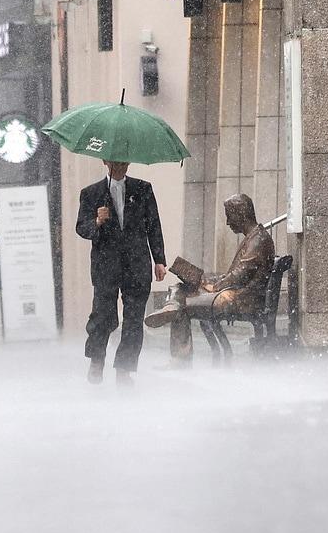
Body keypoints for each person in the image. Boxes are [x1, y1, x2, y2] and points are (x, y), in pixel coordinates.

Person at [144, 194, 274, 361]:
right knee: (180, 287)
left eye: (229, 216)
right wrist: (208, 280)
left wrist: (214, 285)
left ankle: (180, 358)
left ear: (241, 213)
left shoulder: (259, 240)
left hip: (244, 298)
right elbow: (236, 275)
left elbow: (239, 276)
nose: (227, 222)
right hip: (234, 291)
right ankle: (171, 306)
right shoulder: (253, 237)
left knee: (183, 305)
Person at [76, 160, 167, 384]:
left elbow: (153, 224)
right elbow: (81, 228)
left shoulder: (143, 189)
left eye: (124, 161)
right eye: (116, 162)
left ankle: (124, 369)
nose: (121, 166)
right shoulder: (91, 193)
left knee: (134, 319)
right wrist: (97, 221)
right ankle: (97, 360)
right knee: (102, 315)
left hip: (136, 264)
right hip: (106, 266)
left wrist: (159, 260)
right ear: (106, 162)